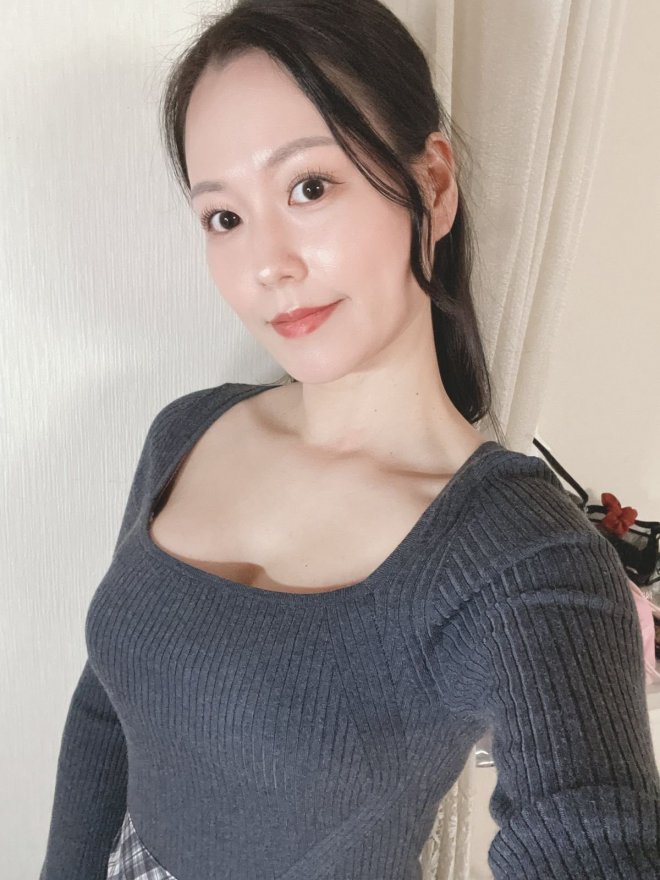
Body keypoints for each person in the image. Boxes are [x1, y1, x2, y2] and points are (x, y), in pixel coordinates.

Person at [39, 1, 660, 878]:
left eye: (309, 187)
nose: (268, 264)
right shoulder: (185, 433)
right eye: (224, 217)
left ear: (432, 184)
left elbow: (592, 832)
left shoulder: (523, 559)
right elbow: (108, 704)